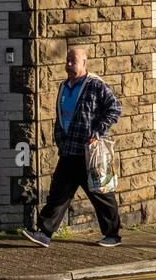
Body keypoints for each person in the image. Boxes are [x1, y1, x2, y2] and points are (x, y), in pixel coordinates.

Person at [22, 46, 123, 247]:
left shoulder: (95, 85)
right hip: (69, 150)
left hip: (88, 152)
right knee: (58, 193)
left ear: (84, 63)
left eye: (73, 61)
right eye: (67, 61)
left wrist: (98, 131)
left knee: (101, 194)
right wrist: (59, 138)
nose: (68, 65)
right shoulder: (64, 86)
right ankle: (44, 233)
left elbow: (115, 108)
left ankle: (113, 235)